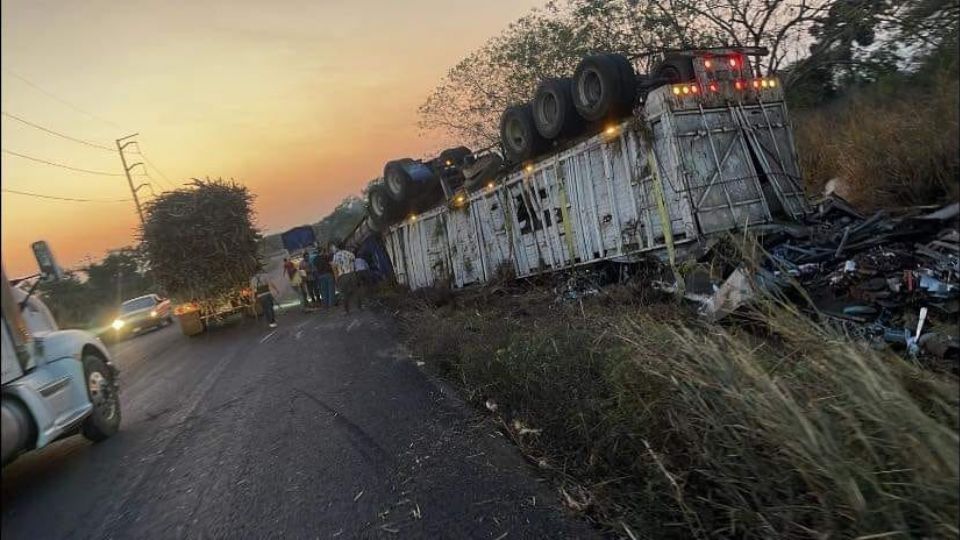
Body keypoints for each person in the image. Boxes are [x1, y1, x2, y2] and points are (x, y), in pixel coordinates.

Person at [331, 243, 361, 313]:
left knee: (344, 293)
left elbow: (334, 268)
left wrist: (336, 278)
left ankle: (347, 310)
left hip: (342, 276)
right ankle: (359, 306)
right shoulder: (349, 253)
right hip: (352, 274)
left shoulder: (336, 256)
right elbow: (354, 261)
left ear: (337, 248)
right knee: (356, 291)